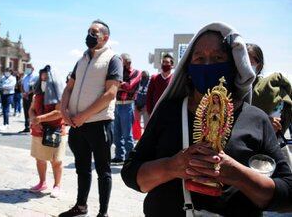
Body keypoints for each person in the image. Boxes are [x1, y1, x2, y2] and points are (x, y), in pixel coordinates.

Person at [121, 22, 292, 216]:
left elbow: (287, 196)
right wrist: (173, 166)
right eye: (199, 58)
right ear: (189, 68)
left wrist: (236, 174)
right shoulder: (169, 113)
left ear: (234, 66)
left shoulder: (256, 119)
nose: (208, 65)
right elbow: (131, 174)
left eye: (218, 58)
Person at [59, 20, 123, 217]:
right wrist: (64, 111)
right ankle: (81, 206)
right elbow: (69, 87)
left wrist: (83, 116)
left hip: (99, 123)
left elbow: (111, 93)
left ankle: (103, 213)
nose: (89, 34)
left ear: (105, 37)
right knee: (82, 168)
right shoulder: (81, 59)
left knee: (103, 171)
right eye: (88, 31)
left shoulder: (113, 59)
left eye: (94, 32)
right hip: (78, 125)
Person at [29, 65, 66, 198]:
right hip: (38, 131)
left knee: (56, 161)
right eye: (42, 78)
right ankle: (42, 182)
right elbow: (32, 109)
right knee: (40, 159)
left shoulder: (60, 95)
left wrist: (40, 119)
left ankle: (57, 185)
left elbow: (58, 112)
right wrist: (34, 119)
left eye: (46, 79)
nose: (43, 81)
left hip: (55, 131)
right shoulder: (37, 94)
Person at [247, 43, 292, 139]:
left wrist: (269, 123)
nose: (245, 65)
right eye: (243, 61)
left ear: (259, 66)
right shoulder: (228, 87)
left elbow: (275, 124)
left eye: (250, 62)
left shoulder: (270, 91)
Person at [111, 53, 141, 164]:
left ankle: (129, 157)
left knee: (127, 134)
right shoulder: (119, 71)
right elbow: (112, 85)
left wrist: (118, 85)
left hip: (127, 105)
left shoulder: (136, 73)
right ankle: (119, 156)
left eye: (126, 63)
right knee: (116, 133)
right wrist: (120, 85)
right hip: (117, 104)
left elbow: (130, 86)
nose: (125, 65)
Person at [133, 70, 150, 140]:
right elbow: (134, 92)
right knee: (136, 123)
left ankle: (147, 138)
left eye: (145, 75)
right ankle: (137, 138)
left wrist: (147, 105)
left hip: (146, 106)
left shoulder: (150, 82)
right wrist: (135, 104)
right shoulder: (138, 82)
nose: (143, 76)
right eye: (142, 75)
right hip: (137, 105)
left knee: (147, 124)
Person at [20, 66, 36, 133]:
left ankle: (31, 126)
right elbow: (21, 85)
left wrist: (28, 93)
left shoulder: (35, 77)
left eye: (29, 68)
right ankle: (26, 126)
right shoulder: (25, 77)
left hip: (30, 96)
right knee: (25, 111)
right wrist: (23, 93)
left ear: (32, 69)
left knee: (30, 111)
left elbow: (35, 87)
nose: (27, 69)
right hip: (24, 96)